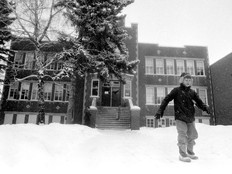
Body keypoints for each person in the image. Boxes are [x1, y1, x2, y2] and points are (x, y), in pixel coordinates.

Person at [154, 72, 210, 162]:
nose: (188, 82)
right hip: (180, 117)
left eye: (189, 80)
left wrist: (205, 108)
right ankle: (182, 154)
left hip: (190, 117)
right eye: (186, 80)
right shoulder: (176, 90)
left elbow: (199, 102)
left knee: (193, 135)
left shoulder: (192, 92)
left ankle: (190, 152)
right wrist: (161, 110)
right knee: (182, 135)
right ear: (182, 81)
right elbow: (166, 99)